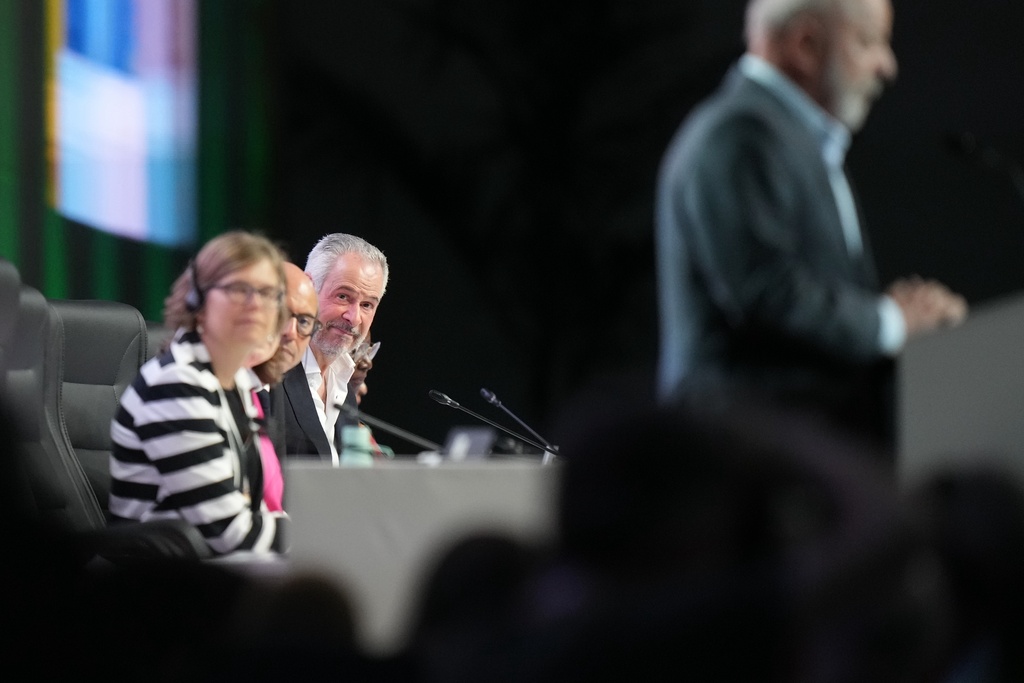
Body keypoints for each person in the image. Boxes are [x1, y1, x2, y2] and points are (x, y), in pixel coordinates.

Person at [654, 0, 968, 451]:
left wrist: (893, 320)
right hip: (743, 470)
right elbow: (767, 289)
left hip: (785, 463)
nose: (888, 66)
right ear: (805, 44)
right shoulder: (741, 136)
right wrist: (892, 323)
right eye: (868, 41)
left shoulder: (791, 142)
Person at [109, 231, 289, 555]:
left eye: (267, 292)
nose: (255, 303)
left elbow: (252, 512)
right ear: (198, 301)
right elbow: (230, 533)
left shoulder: (238, 384)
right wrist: (326, 533)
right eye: (238, 289)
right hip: (153, 587)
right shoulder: (177, 383)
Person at [280, 233, 389, 463]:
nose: (354, 317)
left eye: (367, 305)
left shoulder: (343, 384)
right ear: (308, 288)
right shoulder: (270, 376)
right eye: (343, 296)